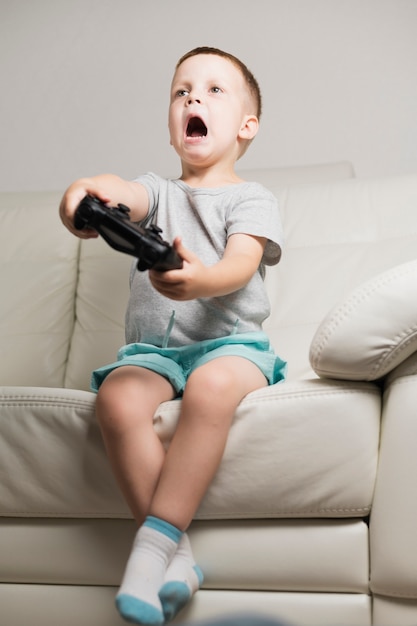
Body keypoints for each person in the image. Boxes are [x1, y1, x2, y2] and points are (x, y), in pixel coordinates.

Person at [60, 46, 287, 626]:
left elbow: (239, 264)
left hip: (232, 348)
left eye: (214, 90)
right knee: (117, 397)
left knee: (212, 387)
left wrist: (200, 281)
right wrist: (84, 196)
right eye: (182, 90)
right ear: (171, 124)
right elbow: (121, 192)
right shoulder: (156, 191)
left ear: (246, 126)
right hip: (155, 355)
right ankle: (179, 558)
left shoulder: (252, 198)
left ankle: (151, 549)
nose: (193, 98)